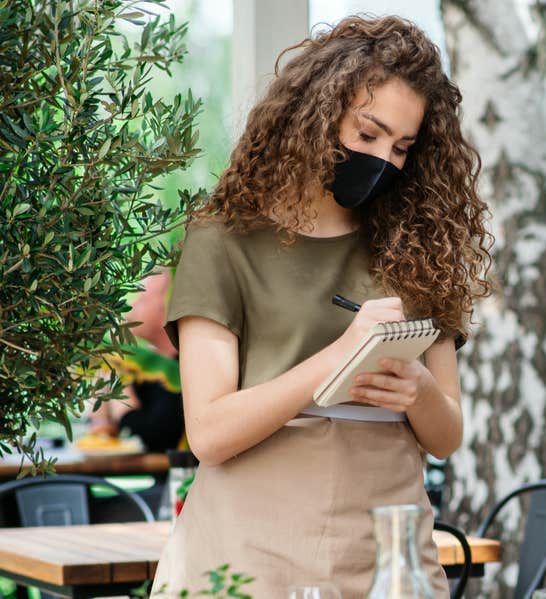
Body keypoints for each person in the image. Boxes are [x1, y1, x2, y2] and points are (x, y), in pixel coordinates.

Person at [152, 16, 491, 597]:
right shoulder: (223, 237)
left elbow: (446, 435)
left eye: (403, 147)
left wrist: (421, 394)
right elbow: (208, 432)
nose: (384, 159)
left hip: (387, 551)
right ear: (315, 114)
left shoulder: (420, 245)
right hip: (248, 546)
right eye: (368, 134)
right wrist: (341, 357)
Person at [91, 269, 186, 452]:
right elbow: (109, 428)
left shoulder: (183, 367)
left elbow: (160, 435)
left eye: (141, 300)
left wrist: (122, 407)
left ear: (164, 308)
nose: (132, 307)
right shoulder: (148, 368)